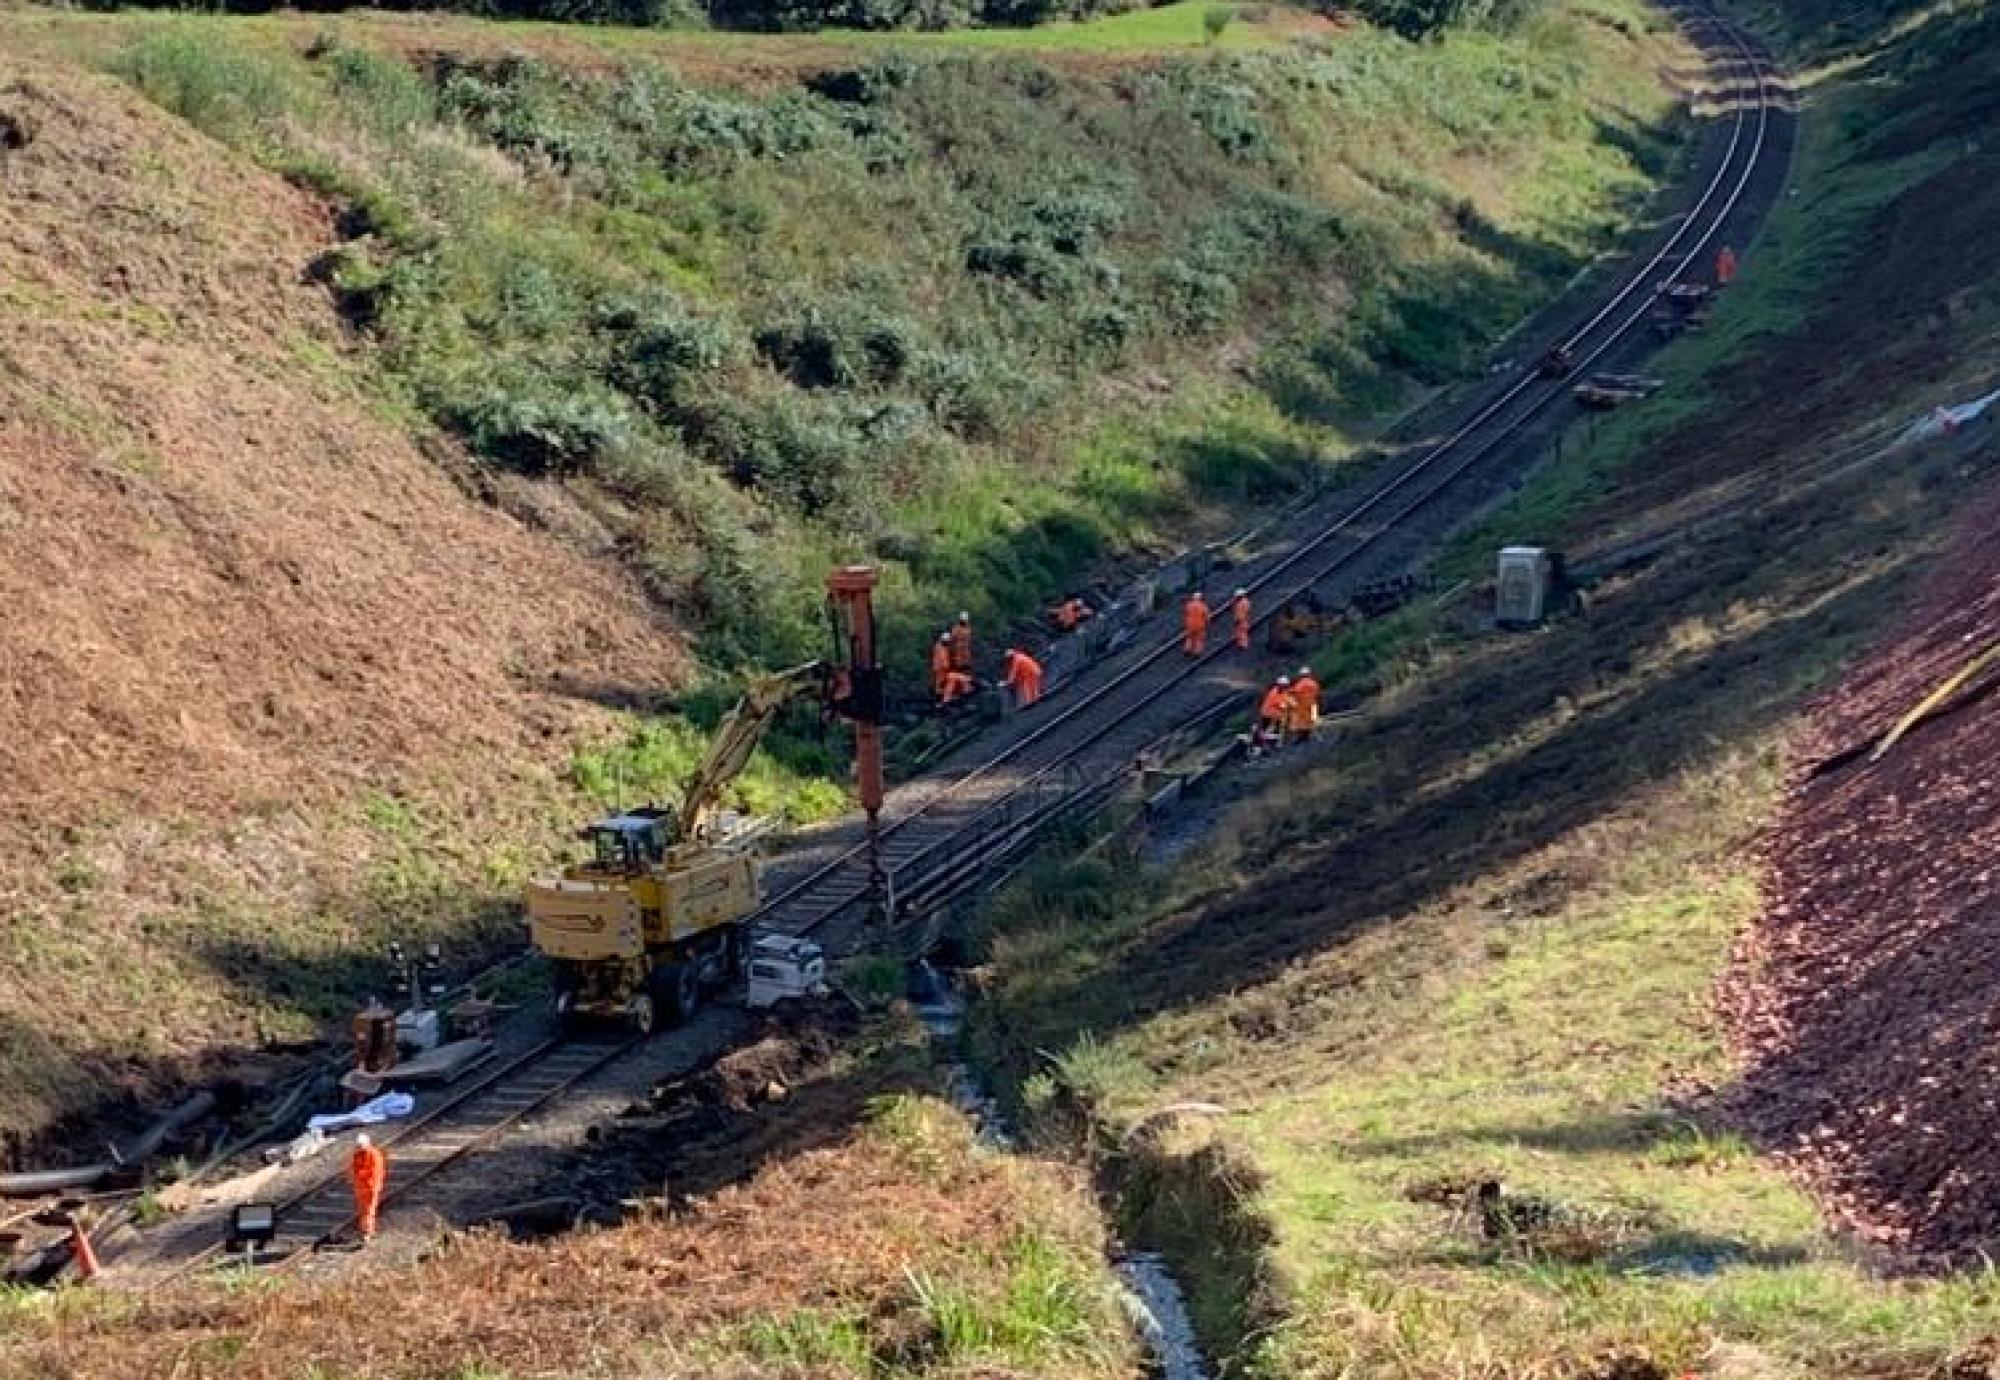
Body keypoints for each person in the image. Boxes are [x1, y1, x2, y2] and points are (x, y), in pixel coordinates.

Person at [349, 1132, 388, 1242]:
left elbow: (375, 1172)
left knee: (369, 1210)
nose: (359, 1148)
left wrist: (360, 1175)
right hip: (361, 1187)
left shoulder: (374, 1155)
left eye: (361, 1146)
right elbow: (353, 1169)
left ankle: (367, 1232)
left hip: (371, 1187)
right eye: (358, 1146)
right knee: (363, 1210)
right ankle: (365, 1230)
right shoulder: (357, 1155)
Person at [931, 634, 972, 705]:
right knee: (954, 679)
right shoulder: (941, 650)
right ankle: (946, 701)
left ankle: (964, 693)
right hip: (942, 677)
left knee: (962, 678)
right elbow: (944, 665)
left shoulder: (943, 649)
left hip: (944, 675)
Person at [1256, 675, 1292, 752]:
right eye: (1285, 686)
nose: (1286, 687)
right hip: (1269, 715)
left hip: (1270, 714)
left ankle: (1267, 745)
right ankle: (1266, 746)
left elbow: (1285, 699)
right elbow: (1281, 704)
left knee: (1267, 731)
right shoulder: (1275, 693)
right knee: (1269, 731)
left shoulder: (1276, 690)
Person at [1288, 665, 1321, 745]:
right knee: (1313, 721)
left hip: (1303, 706)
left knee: (1302, 723)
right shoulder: (1314, 683)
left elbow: (1295, 692)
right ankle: (1315, 737)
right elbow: (1317, 693)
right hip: (1313, 704)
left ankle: (1303, 738)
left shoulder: (1301, 684)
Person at [1182, 592, 1210, 657]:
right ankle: (1197, 652)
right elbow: (1207, 616)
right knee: (1199, 639)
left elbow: (1186, 614)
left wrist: (1185, 623)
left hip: (1190, 624)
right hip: (1200, 624)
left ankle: (1187, 649)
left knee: (1189, 637)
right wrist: (1208, 623)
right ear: (1200, 598)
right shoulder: (1203, 606)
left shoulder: (1189, 605)